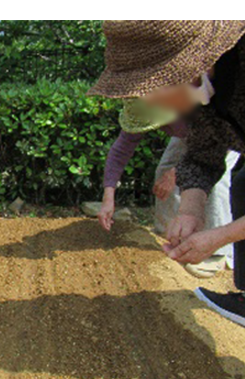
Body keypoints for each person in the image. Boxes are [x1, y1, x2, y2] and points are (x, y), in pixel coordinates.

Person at [90, 20, 245, 326]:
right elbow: (202, 156)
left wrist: (218, 237)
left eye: (147, 88)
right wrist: (190, 211)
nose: (148, 101)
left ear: (183, 71)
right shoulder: (207, 99)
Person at [99, 98, 239, 278]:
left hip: (223, 133)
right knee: (164, 171)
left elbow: (209, 157)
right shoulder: (141, 110)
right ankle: (168, 233)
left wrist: (176, 173)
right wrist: (108, 196)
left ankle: (219, 253)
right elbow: (119, 152)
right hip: (189, 130)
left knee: (215, 179)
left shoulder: (204, 108)